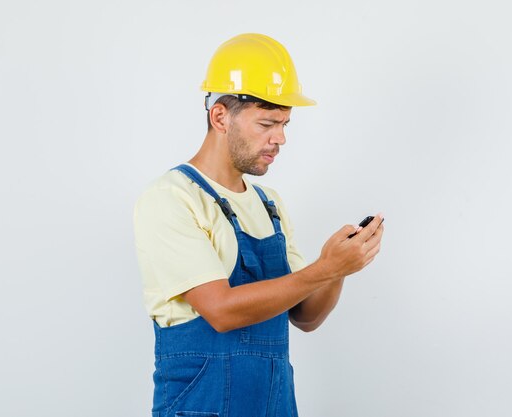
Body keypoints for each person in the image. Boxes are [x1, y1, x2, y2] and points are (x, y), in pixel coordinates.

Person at [134, 33, 384, 417]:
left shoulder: (270, 205)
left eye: (285, 124)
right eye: (267, 123)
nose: (280, 138)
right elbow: (221, 311)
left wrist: (338, 269)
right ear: (220, 116)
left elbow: (306, 317)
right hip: (202, 407)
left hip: (275, 405)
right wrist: (324, 268)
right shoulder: (172, 197)